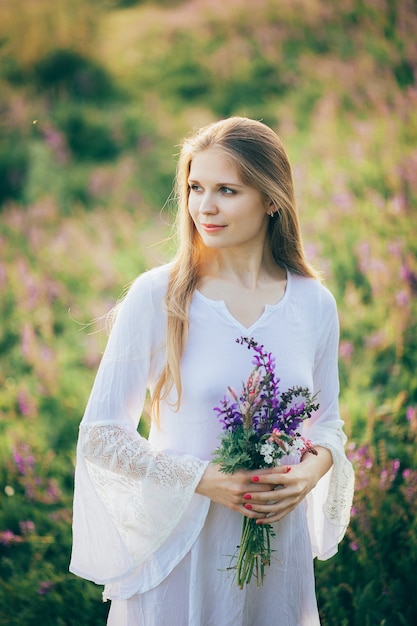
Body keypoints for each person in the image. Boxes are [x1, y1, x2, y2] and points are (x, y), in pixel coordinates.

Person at [70, 116, 354, 626]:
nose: (205, 206)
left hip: (275, 556)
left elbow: (328, 424)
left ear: (271, 199)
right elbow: (101, 435)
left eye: (227, 190)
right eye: (196, 188)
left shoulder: (314, 303)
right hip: (183, 549)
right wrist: (205, 478)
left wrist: (310, 472)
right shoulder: (159, 296)